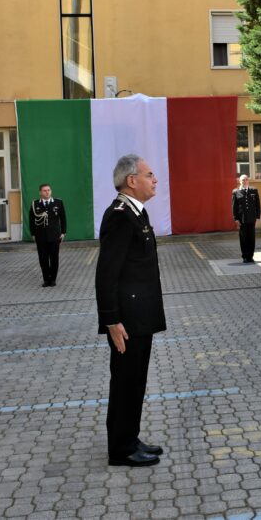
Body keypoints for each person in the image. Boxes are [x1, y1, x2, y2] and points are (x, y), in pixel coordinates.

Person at [96, 154, 167, 467]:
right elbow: (106, 273)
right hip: (126, 319)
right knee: (125, 381)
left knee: (136, 380)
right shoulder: (119, 215)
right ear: (131, 180)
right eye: (149, 174)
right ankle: (120, 449)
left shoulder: (138, 213)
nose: (155, 180)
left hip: (141, 315)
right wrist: (111, 320)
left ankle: (130, 438)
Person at [28, 183, 67, 287]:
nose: (47, 192)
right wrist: (33, 234)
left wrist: (63, 232)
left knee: (54, 259)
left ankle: (53, 279)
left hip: (54, 236)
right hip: (41, 237)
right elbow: (31, 220)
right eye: (44, 190)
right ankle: (46, 279)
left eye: (49, 190)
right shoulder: (35, 204)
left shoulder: (58, 202)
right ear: (40, 192)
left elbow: (63, 218)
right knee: (43, 259)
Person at [231, 174, 261, 263]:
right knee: (243, 238)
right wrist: (236, 218)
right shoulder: (236, 192)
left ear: (248, 181)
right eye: (243, 180)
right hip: (242, 219)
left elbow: (257, 204)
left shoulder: (254, 191)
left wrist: (257, 216)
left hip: (251, 218)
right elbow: (234, 207)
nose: (244, 181)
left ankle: (250, 256)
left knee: (251, 237)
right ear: (239, 181)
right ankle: (244, 256)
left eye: (246, 179)